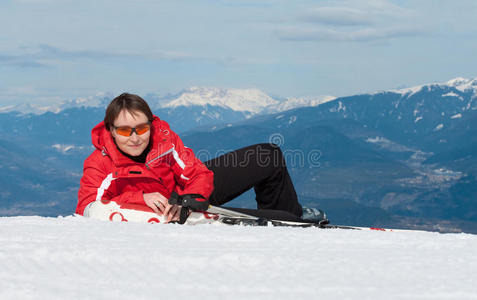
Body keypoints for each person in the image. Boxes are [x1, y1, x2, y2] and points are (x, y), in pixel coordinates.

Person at [77, 93, 325, 223]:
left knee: (267, 155)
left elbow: (197, 172)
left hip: (188, 198)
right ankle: (290, 221)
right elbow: (88, 208)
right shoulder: (99, 163)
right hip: (174, 215)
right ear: (110, 129)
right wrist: (140, 198)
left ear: (150, 125)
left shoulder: (164, 140)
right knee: (283, 219)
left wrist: (193, 197)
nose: (134, 138)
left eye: (141, 128)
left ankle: (291, 219)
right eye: (124, 130)